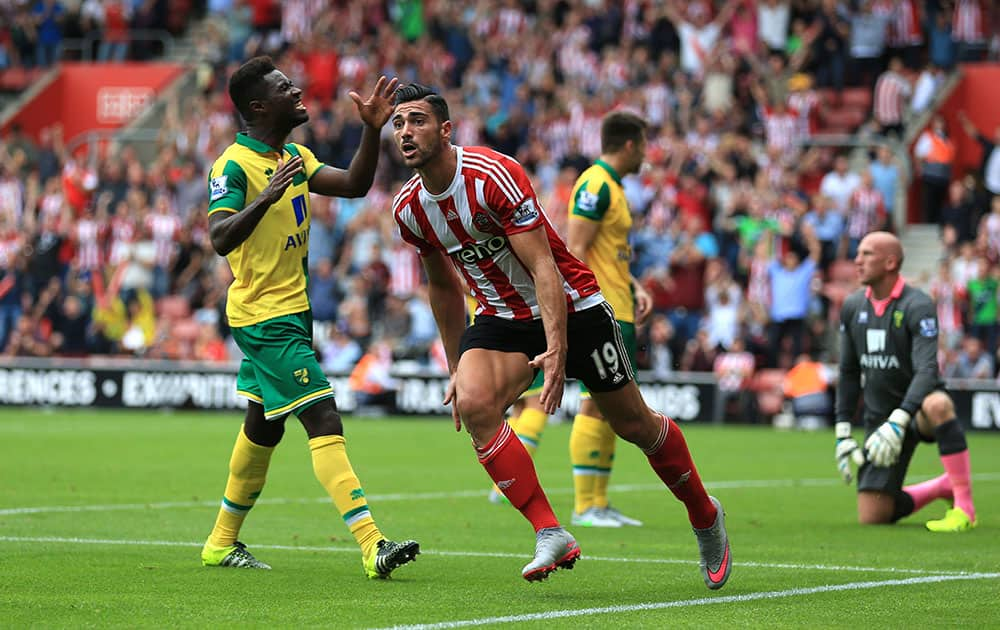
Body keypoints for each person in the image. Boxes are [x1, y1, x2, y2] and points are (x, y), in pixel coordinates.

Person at [389, 83, 731, 587]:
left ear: (445, 130)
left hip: (575, 307)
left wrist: (557, 348)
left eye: (416, 120)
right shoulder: (409, 208)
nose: (404, 131)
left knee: (634, 425)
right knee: (476, 401)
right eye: (397, 123)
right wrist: (455, 365)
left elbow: (545, 266)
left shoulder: (492, 174)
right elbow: (441, 286)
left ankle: (705, 515)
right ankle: (550, 531)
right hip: (502, 317)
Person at [201, 56, 419, 578]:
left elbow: (355, 185)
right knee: (322, 414)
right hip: (263, 316)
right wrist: (268, 197)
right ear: (259, 106)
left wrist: (371, 132)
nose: (296, 90)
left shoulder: (293, 154)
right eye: (283, 87)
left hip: (292, 313)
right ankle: (372, 544)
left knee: (264, 426)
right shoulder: (234, 166)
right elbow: (219, 236)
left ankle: (220, 542)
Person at [487, 111, 654, 529]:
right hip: (605, 307)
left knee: (612, 409)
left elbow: (606, 251)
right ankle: (587, 504)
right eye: (644, 145)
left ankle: (597, 500)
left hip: (621, 302)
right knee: (598, 406)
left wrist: (633, 284)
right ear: (630, 144)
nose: (647, 155)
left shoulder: (612, 186)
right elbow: (574, 249)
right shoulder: (595, 186)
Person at [835, 231, 978, 532]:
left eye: (866, 254)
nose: (857, 261)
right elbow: (848, 372)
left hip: (915, 410)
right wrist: (843, 429)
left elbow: (928, 370)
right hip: (879, 418)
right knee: (874, 516)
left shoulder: (918, 304)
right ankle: (942, 487)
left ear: (890, 262)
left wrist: (900, 419)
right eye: (858, 253)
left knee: (939, 404)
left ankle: (965, 507)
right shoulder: (852, 306)